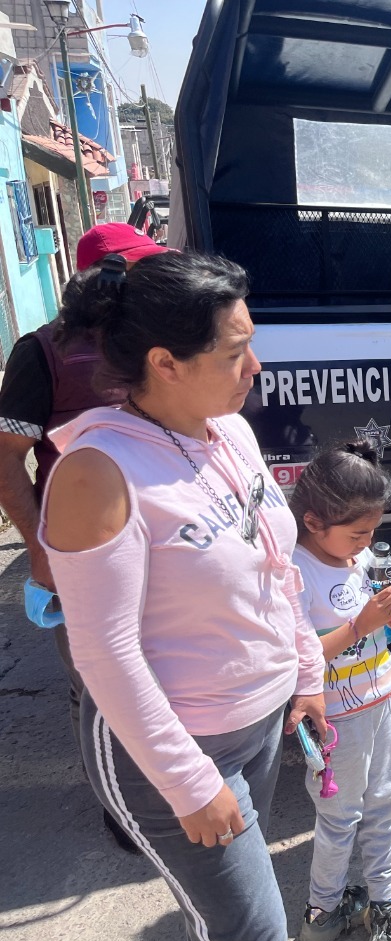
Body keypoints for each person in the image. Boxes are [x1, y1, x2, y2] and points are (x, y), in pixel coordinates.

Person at [38, 251, 328, 941]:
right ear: (165, 363)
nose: (256, 366)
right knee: (254, 940)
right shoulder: (97, 473)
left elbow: (272, 560)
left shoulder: (228, 431)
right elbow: (103, 652)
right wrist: (189, 781)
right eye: (235, 352)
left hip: (256, 724)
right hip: (174, 748)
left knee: (220, 931)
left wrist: (306, 667)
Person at [0, 223, 169, 853]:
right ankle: (122, 811)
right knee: (100, 687)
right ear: (103, 280)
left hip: (167, 547)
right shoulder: (43, 353)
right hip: (86, 556)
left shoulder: (161, 343)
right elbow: (6, 459)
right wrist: (42, 556)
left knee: (163, 673)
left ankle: (167, 790)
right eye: (138, 270)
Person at [290, 442, 391, 941]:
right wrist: (360, 625)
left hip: (379, 701)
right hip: (334, 720)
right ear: (314, 521)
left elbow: (380, 629)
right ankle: (322, 910)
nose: (367, 543)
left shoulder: (361, 557)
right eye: (357, 533)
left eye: (373, 532)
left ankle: (384, 900)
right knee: (339, 818)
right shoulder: (297, 572)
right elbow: (301, 655)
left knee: (385, 805)